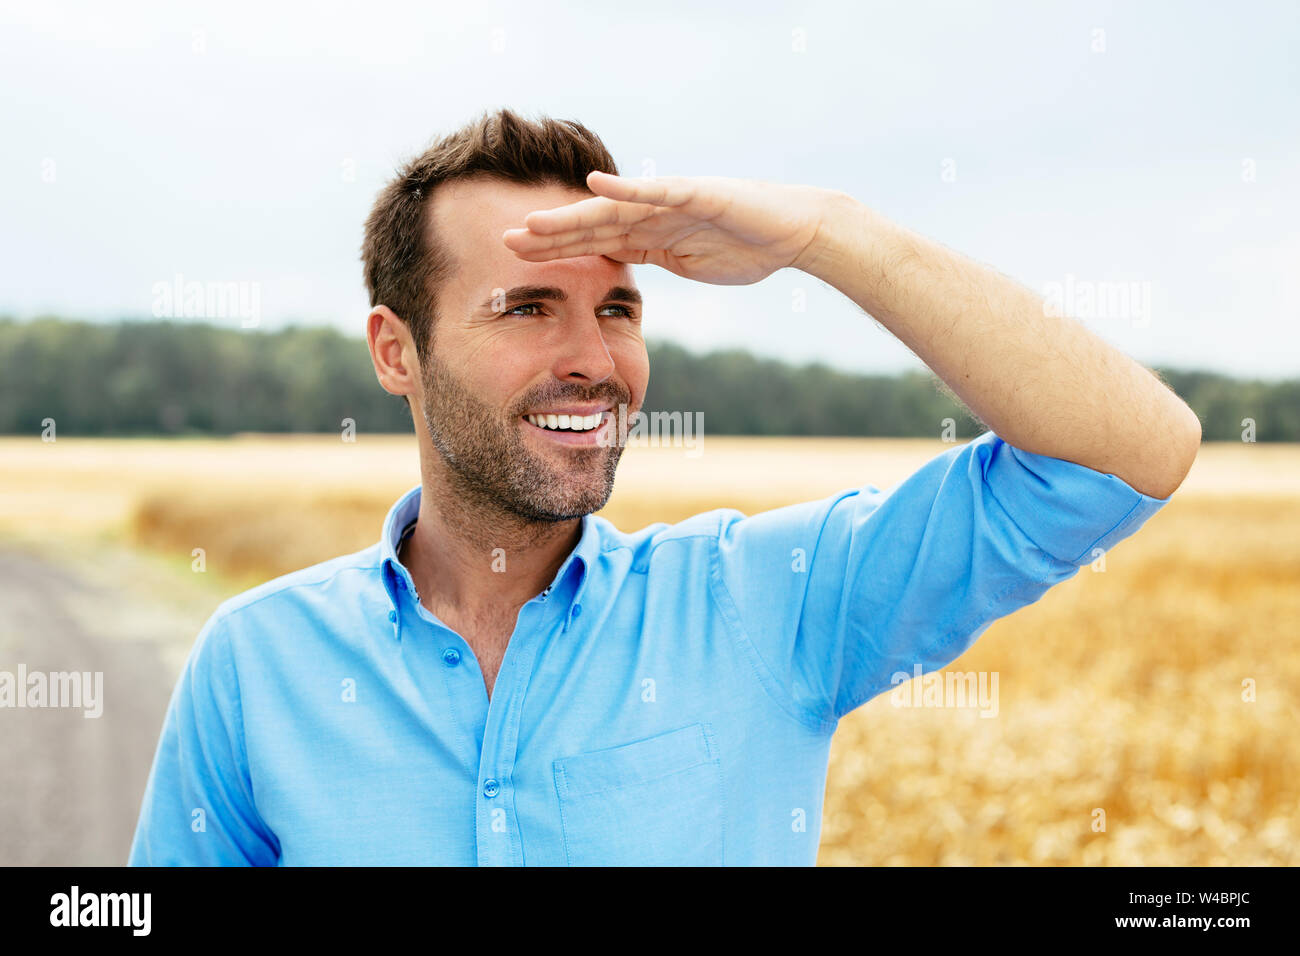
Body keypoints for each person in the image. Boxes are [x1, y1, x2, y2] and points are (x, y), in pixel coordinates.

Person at [128, 108, 1200, 866]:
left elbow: (1124, 457)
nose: (591, 357)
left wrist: (828, 235)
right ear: (396, 351)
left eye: (619, 309)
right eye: (527, 307)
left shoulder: (763, 602)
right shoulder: (257, 660)